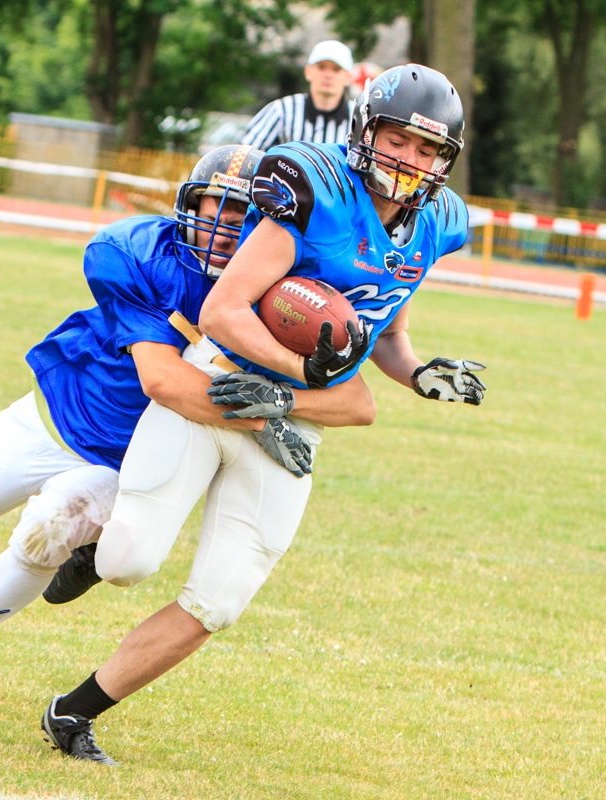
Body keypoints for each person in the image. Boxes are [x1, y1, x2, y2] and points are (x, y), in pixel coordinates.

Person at [37, 64, 487, 765]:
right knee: (131, 562)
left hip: (291, 417)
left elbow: (381, 330)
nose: (410, 160)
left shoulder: (435, 226)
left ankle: (72, 713)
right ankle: (98, 552)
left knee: (218, 600)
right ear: (367, 132)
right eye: (398, 140)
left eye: (428, 150)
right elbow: (224, 310)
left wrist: (419, 372)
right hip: (220, 380)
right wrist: (299, 371)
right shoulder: (317, 190)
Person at [0, 144, 369, 702]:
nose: (229, 225)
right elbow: (162, 380)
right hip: (56, 414)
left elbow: (358, 398)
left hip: (127, 458)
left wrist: (297, 392)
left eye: (245, 214)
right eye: (219, 207)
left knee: (47, 532)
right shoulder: (138, 252)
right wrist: (263, 422)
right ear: (191, 204)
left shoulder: (280, 296)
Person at [241, 40, 356, 151]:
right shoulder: (282, 110)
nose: (328, 75)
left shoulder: (358, 119)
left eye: (336, 69)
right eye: (321, 67)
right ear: (308, 72)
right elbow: (244, 154)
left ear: (348, 77)